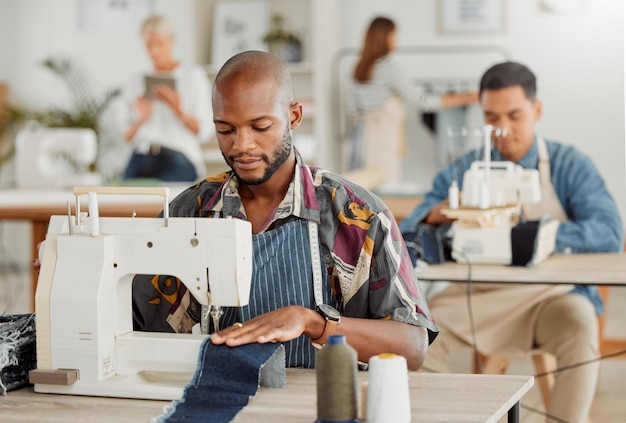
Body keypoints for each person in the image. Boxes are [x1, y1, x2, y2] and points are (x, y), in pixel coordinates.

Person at [132, 50, 439, 370]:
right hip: (225, 402)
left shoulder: (356, 216)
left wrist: (313, 323)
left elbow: (412, 346)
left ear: (294, 116)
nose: (241, 145)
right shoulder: (191, 212)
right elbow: (136, 321)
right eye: (225, 130)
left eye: (260, 126)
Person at [399, 61, 624, 422]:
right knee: (417, 339)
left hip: (550, 298)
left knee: (580, 326)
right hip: (477, 296)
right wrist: (440, 213)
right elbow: (411, 227)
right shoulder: (465, 169)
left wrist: (532, 237)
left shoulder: (570, 165)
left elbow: (610, 232)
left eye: (514, 116)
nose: (502, 129)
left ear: (536, 110)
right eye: (491, 117)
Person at [344, 16, 479, 184]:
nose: (396, 40)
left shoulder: (358, 68)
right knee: (384, 189)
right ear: (385, 38)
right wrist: (467, 97)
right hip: (383, 140)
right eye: (394, 35)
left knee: (360, 189)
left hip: (359, 139)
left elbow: (350, 108)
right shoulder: (390, 68)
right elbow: (421, 100)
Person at [121, 15, 214, 182]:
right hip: (141, 155)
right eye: (149, 45)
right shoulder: (136, 81)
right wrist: (142, 119)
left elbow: (204, 132)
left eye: (159, 44)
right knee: (120, 200)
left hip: (178, 156)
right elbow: (126, 137)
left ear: (172, 41)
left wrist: (178, 110)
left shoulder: (192, 76)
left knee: (160, 201)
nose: (154, 51)